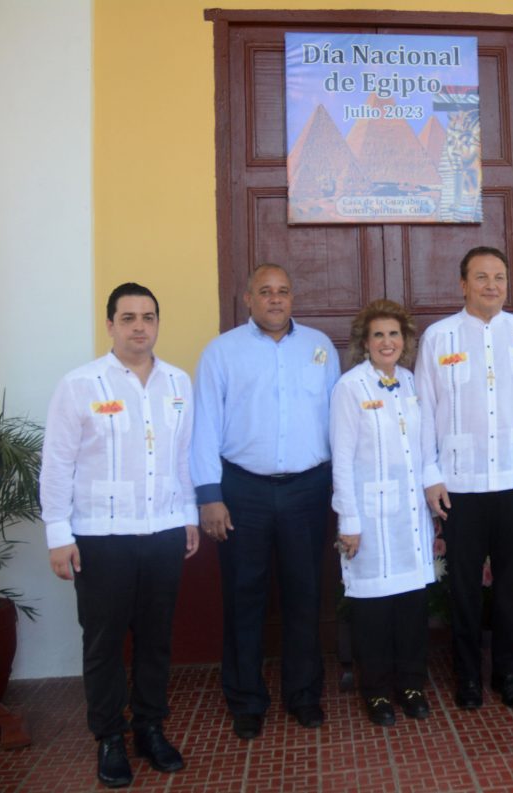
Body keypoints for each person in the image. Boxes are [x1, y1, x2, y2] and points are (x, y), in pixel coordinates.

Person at [40, 282, 199, 788]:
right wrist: (57, 533)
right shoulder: (81, 384)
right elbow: (57, 463)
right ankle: (109, 737)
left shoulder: (178, 383)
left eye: (147, 317)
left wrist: (189, 515)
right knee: (105, 642)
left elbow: (183, 457)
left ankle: (150, 728)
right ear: (109, 324)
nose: (139, 327)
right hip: (101, 536)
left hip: (163, 531)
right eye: (127, 317)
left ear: (157, 323)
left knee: (156, 639)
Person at [190, 263, 340, 739]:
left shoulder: (320, 347)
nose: (275, 300)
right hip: (243, 491)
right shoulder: (221, 352)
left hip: (307, 489)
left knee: (304, 594)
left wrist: (341, 490)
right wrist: (210, 497)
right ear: (248, 298)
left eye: (283, 292)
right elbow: (204, 427)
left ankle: (303, 695)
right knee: (244, 596)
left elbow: (337, 421)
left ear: (293, 298)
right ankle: (246, 700)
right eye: (265, 292)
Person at [415, 246, 513, 710]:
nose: (491, 285)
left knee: (512, 589)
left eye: (499, 276)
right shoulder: (440, 337)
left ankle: (508, 675)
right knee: (464, 590)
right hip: (460, 487)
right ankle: (468, 677)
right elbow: (423, 412)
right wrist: (431, 475)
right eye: (481, 277)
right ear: (462, 284)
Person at [330, 300, 435, 726]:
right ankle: (375, 691)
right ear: (364, 343)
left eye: (394, 334)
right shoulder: (350, 387)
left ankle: (411, 684)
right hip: (369, 517)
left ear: (405, 341)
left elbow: (426, 445)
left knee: (411, 605)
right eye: (378, 335)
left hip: (410, 514)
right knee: (372, 608)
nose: (387, 342)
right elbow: (341, 459)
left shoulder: (412, 383)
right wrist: (348, 521)